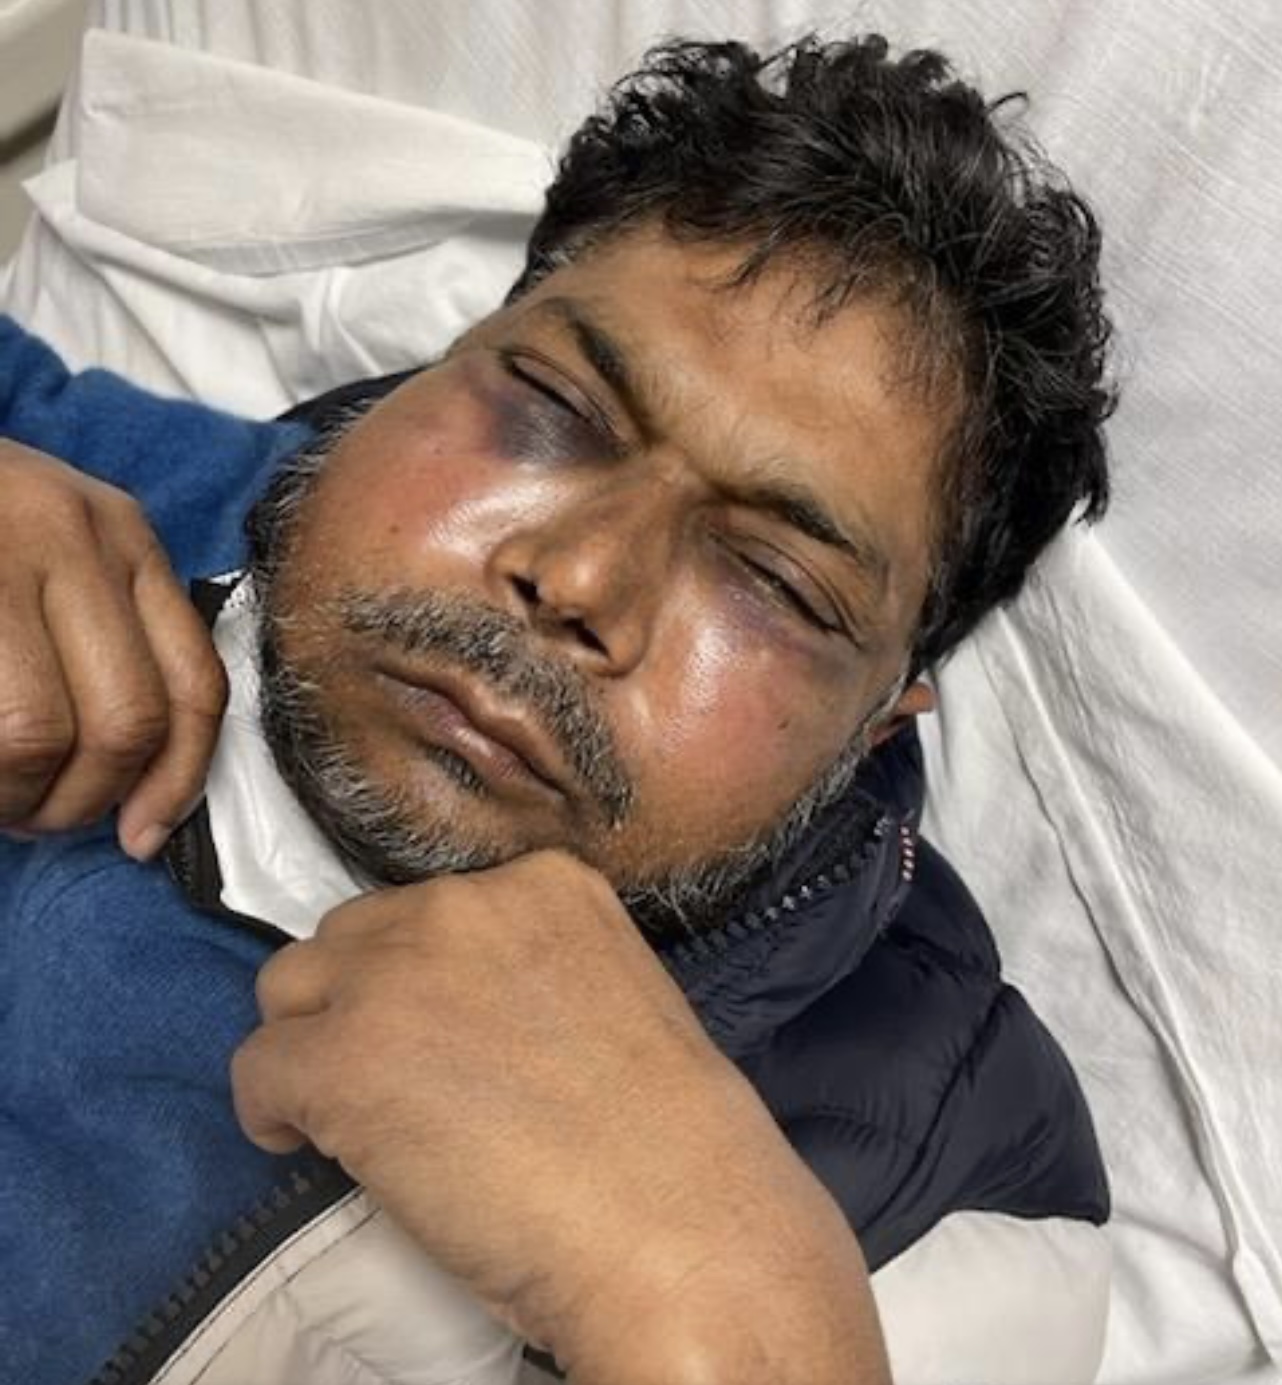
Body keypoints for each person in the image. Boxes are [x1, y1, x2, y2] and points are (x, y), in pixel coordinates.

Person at [0, 35, 1113, 1385]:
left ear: (879, 721)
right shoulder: (92, 472)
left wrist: (711, 1299)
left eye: (774, 580)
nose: (579, 578)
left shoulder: (937, 1193)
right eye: (553, 406)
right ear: (449, 358)